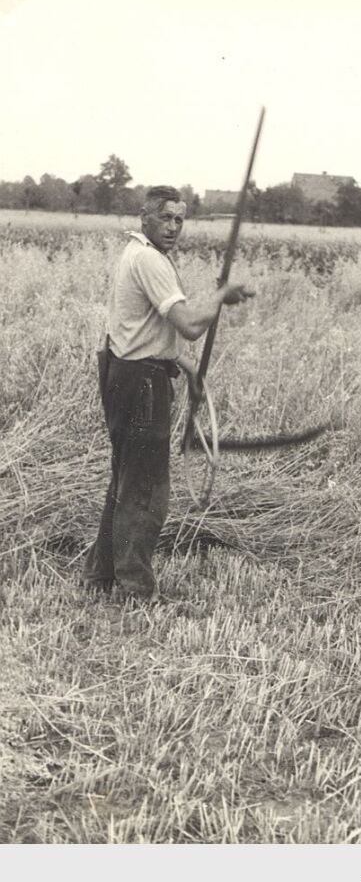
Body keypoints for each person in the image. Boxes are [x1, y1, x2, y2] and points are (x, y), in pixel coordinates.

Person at [83, 185, 252, 601]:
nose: (174, 226)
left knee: (125, 481)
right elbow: (191, 325)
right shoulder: (149, 260)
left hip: (129, 373)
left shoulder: (142, 255)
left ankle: (100, 574)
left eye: (180, 219)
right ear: (144, 218)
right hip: (141, 385)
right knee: (145, 491)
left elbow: (145, 332)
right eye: (166, 218)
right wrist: (220, 295)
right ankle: (136, 590)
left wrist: (187, 366)